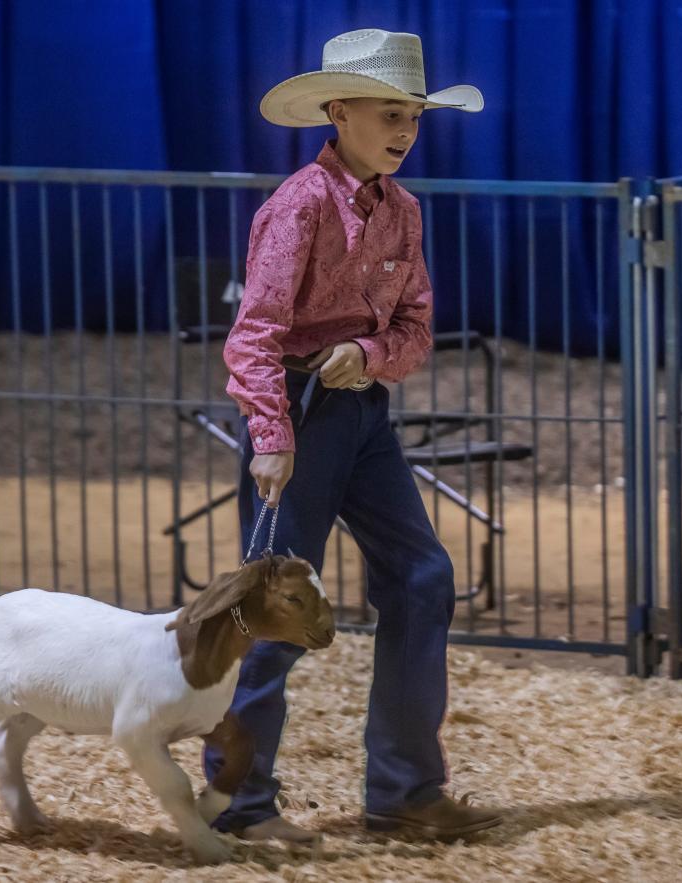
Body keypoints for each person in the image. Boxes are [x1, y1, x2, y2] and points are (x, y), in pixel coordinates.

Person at [206, 28, 501, 842]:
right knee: (273, 609)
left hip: (361, 415)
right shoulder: (298, 204)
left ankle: (404, 793)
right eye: (390, 113)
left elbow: (414, 326)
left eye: (413, 115)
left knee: (422, 576)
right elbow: (254, 333)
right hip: (297, 416)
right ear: (339, 112)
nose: (405, 130)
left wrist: (366, 353)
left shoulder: (402, 211)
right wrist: (271, 429)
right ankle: (237, 805)